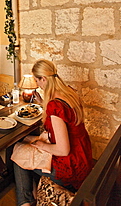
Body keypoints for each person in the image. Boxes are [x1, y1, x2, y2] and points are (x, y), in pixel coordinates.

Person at [14, 59, 92, 206]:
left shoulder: (54, 105)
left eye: (38, 81)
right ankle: (35, 192)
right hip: (83, 157)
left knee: (18, 155)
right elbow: (62, 117)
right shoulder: (69, 93)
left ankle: (25, 202)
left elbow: (63, 150)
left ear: (43, 78)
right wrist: (42, 102)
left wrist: (41, 145)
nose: (38, 85)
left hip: (71, 168)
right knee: (24, 143)